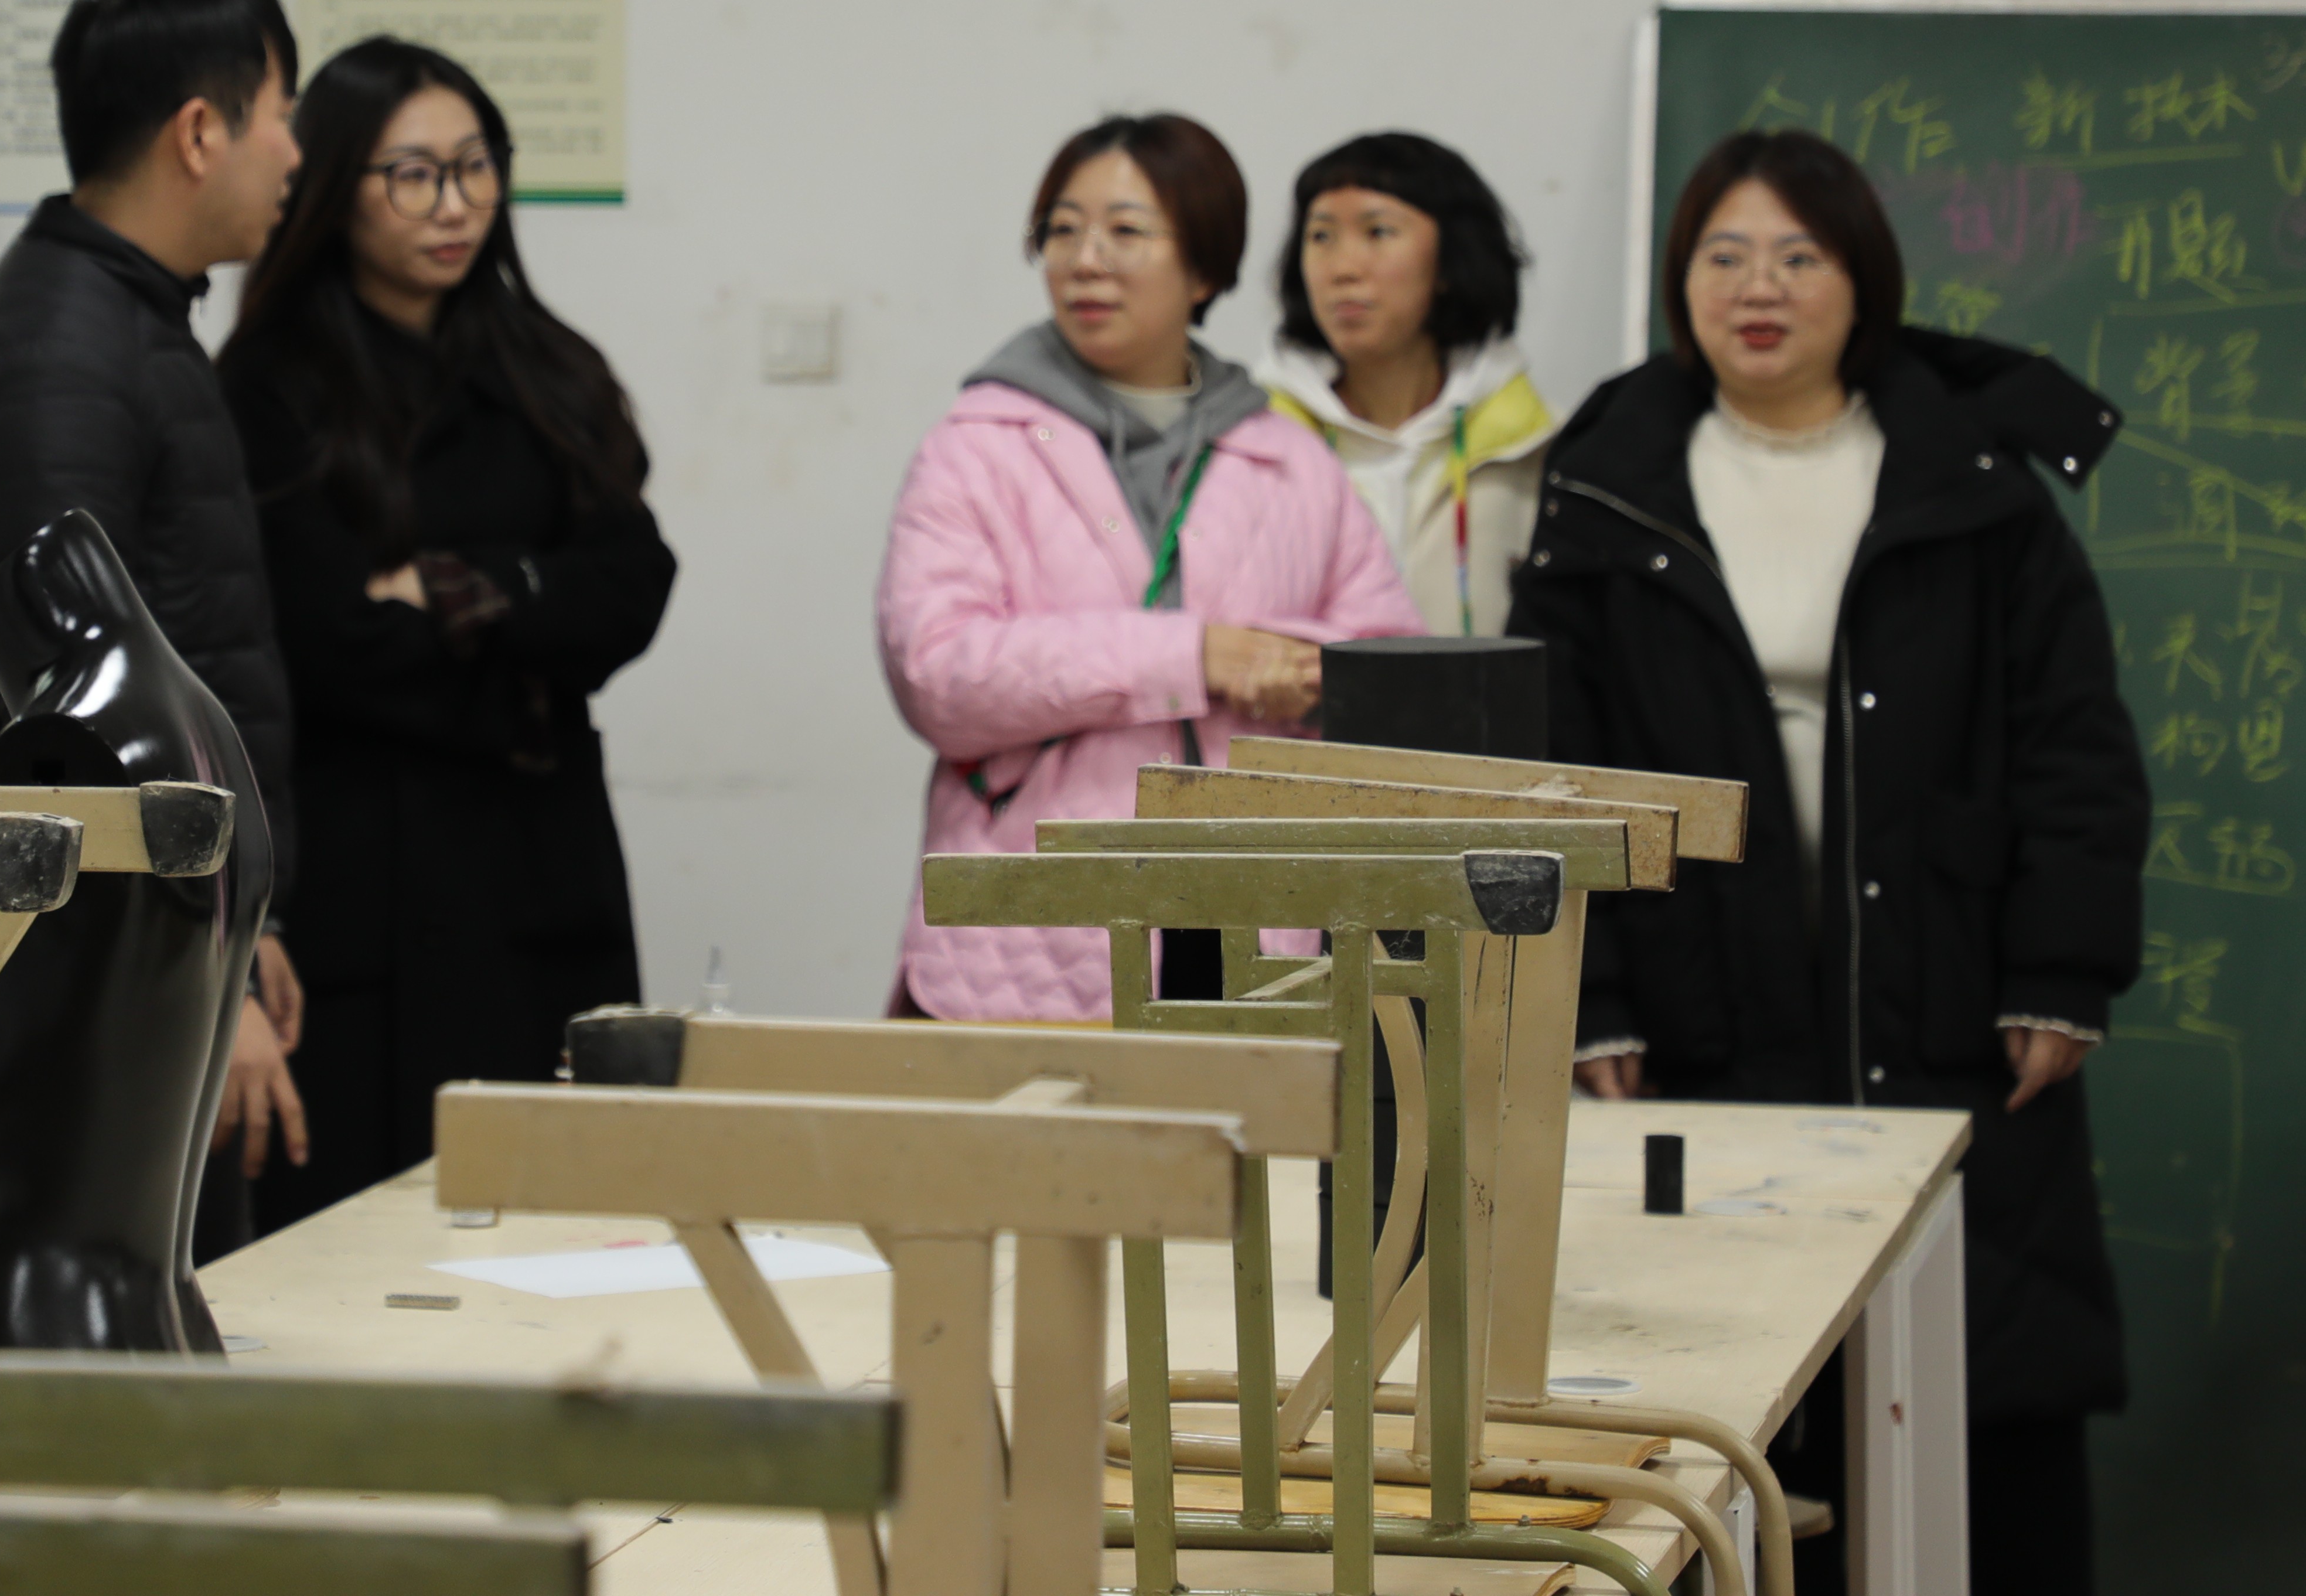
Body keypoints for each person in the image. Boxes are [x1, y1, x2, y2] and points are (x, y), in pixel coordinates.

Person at [1505, 127, 2148, 1596]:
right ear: (1683, 284)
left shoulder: (1972, 478)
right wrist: (1589, 997)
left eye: (1800, 255)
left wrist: (2064, 969)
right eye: (1725, 255)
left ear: (1864, 282)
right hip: (1699, 1007)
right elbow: (1552, 762)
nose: (1760, 286)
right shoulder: (1609, 484)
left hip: (1948, 993)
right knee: (1724, 1406)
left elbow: (2074, 740)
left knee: (1981, 1392)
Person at [0, 0, 312, 1235]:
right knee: (81, 1330)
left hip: (135, 946)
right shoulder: (57, 358)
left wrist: (241, 924)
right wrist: (203, 961)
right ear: (201, 132)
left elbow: (187, 647)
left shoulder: (126, 323)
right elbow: (80, 718)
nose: (295, 153)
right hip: (82, 965)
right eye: (281, 114)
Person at [216, 39, 674, 1227]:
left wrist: (460, 590)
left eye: (474, 167)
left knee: (563, 1224)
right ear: (335, 187)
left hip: (542, 865)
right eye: (412, 175)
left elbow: (634, 583)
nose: (455, 203)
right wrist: (532, 648)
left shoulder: (548, 365)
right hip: (372, 875)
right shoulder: (269, 385)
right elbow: (325, 639)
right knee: (373, 1232)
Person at [878, 112, 1416, 1022]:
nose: (1086, 261)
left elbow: (1395, 670)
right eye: (1062, 230)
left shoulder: (1289, 459)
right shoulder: (975, 448)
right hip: (1032, 935)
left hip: (1260, 927)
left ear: (1205, 268)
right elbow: (938, 673)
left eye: (1126, 232)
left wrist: (1305, 671)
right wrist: (1192, 657)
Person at [1257, 131, 1558, 639]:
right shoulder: (1257, 449)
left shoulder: (1535, 451)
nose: (1343, 269)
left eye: (1378, 232)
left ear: (1450, 261)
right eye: (1321, 237)